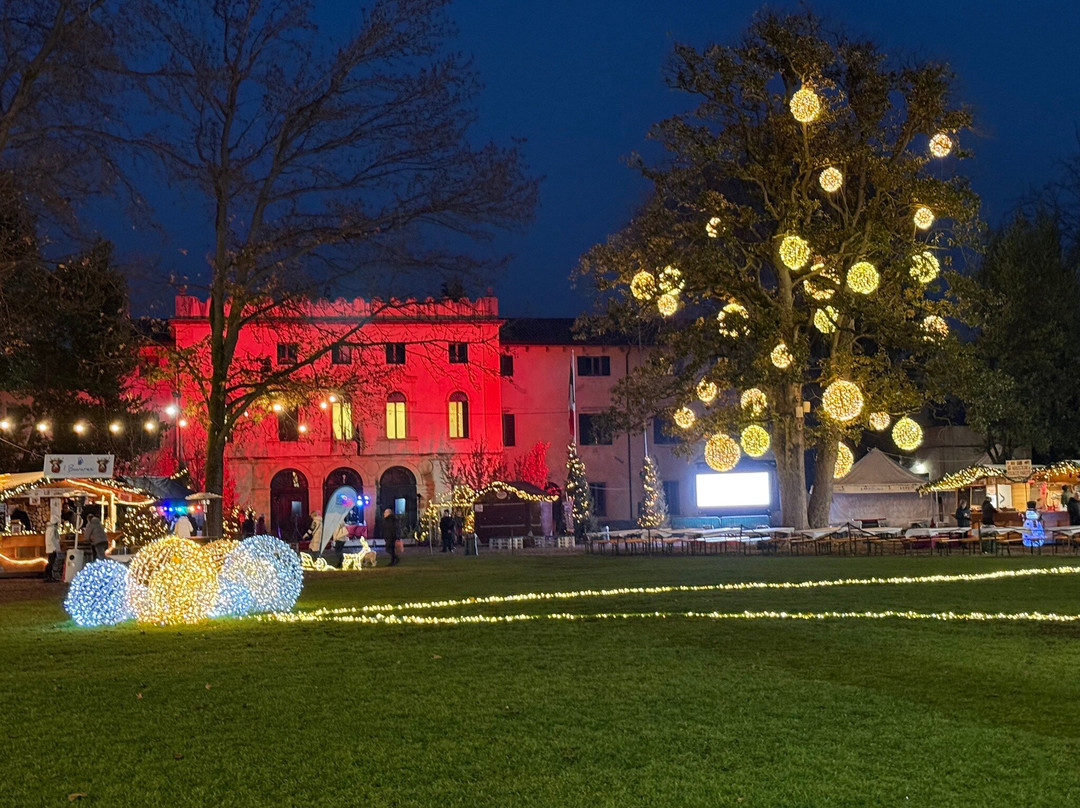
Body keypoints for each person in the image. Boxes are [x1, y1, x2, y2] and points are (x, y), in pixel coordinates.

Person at [43, 515, 62, 582]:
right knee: (51, 562)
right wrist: (55, 547)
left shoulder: (50, 529)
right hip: (52, 548)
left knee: (51, 562)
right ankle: (48, 576)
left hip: (51, 548)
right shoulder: (52, 529)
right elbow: (53, 539)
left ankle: (48, 576)